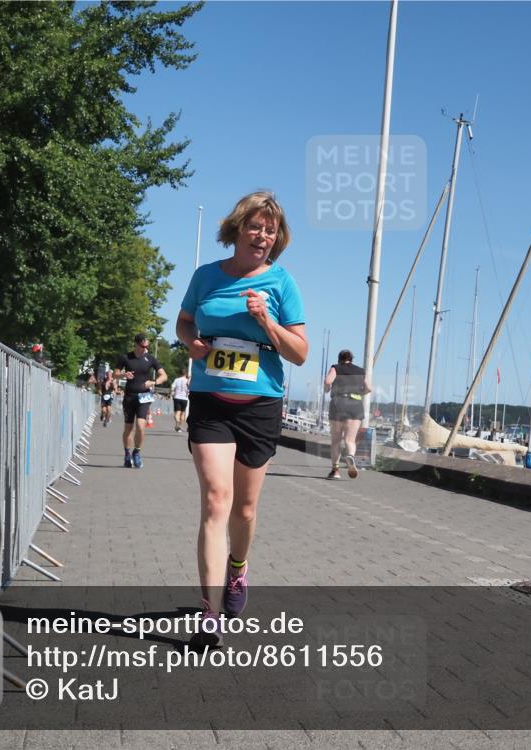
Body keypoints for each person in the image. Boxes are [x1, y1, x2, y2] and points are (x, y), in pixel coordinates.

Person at [177, 191, 307, 647]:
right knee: (216, 500)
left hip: (259, 406)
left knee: (244, 510)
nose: (263, 236)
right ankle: (208, 615)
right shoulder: (206, 276)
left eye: (271, 231)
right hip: (210, 398)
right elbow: (184, 322)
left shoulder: (281, 283)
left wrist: (268, 322)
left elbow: (301, 354)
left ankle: (238, 568)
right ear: (237, 229)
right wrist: (191, 343)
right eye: (256, 227)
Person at [114, 334, 167, 468]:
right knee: (128, 428)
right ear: (136, 344)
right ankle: (127, 453)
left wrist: (154, 382)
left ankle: (136, 452)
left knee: (141, 426)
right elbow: (115, 374)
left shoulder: (150, 358)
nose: (145, 349)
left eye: (147, 346)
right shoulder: (125, 357)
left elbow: (164, 376)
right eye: (143, 346)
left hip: (144, 397)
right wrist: (122, 374)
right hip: (129, 396)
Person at [323, 349, 371, 480]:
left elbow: (328, 381)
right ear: (351, 359)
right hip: (355, 406)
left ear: (340, 359)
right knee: (350, 440)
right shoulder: (361, 371)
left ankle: (335, 471)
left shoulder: (336, 368)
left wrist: (327, 389)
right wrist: (359, 393)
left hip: (338, 404)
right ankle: (350, 456)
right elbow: (368, 388)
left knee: (336, 441)